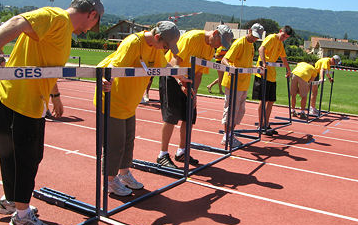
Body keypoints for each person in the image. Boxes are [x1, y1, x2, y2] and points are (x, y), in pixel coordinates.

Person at [0, 0, 104, 225]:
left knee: (18, 156)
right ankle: (22, 217)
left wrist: (55, 96)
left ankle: (12, 200)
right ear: (91, 14)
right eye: (95, 23)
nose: (92, 30)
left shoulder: (61, 30)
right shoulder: (57, 17)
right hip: (20, 101)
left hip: (20, 99)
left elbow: (46, 67)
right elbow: (16, 22)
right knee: (26, 160)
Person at [97, 21, 180, 196]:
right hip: (114, 100)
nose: (165, 50)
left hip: (129, 103)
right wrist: (106, 80)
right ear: (157, 37)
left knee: (128, 141)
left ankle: (124, 174)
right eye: (165, 46)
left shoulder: (155, 49)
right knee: (115, 144)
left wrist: (180, 78)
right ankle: (110, 181)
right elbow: (114, 65)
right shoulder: (133, 43)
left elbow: (165, 66)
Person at [157, 25, 234, 168]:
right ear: (215, 33)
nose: (218, 46)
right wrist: (180, 81)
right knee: (171, 117)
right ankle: (163, 154)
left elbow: (198, 73)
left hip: (189, 80)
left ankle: (182, 151)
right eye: (219, 41)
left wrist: (194, 93)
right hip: (172, 75)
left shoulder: (211, 48)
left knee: (189, 117)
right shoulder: (192, 38)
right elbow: (175, 60)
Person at [220, 23, 265, 147]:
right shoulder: (239, 43)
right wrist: (230, 67)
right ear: (249, 31)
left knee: (240, 111)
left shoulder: (251, 46)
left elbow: (246, 65)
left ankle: (230, 135)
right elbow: (225, 59)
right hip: (233, 83)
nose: (255, 39)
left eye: (258, 37)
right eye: (254, 35)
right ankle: (226, 136)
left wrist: (256, 68)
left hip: (244, 83)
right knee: (231, 110)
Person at [252, 25, 293, 136]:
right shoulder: (271, 38)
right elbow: (261, 49)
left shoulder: (280, 44)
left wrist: (288, 70)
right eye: (283, 36)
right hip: (263, 74)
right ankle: (261, 125)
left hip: (272, 76)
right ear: (280, 31)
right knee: (263, 100)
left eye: (286, 38)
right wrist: (264, 63)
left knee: (271, 101)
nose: (283, 38)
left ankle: (266, 123)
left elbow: (284, 58)